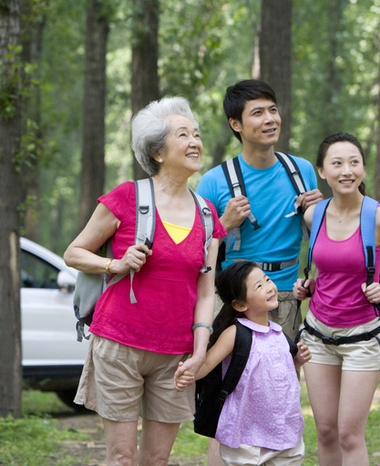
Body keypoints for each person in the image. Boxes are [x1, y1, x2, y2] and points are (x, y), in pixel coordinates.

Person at [64, 96, 227, 466]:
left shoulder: (207, 213)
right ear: (157, 151)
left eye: (197, 134)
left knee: (156, 461)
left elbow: (206, 291)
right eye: (183, 134)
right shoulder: (126, 197)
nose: (195, 142)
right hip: (119, 343)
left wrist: (200, 350)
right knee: (122, 458)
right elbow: (73, 253)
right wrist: (115, 264)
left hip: (176, 354)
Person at [196, 79, 323, 465]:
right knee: (228, 394)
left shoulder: (300, 170)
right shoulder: (214, 181)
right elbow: (198, 252)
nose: (270, 119)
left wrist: (315, 212)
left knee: (279, 393)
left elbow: (318, 239)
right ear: (236, 124)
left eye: (273, 110)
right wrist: (223, 223)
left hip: (283, 297)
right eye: (257, 113)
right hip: (234, 301)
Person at [293, 132, 380, 466]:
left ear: (362, 168)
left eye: (354, 162)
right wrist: (306, 284)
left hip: (361, 336)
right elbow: (327, 267)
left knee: (349, 434)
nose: (346, 170)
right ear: (322, 171)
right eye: (337, 163)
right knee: (326, 432)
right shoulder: (312, 215)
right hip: (317, 334)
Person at [174, 261, 312, 466]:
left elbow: (276, 375)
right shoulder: (236, 333)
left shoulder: (278, 332)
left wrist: (297, 361)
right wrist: (189, 371)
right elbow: (206, 365)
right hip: (246, 439)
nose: (269, 287)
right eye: (259, 286)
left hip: (284, 434)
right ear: (240, 305)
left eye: (267, 280)